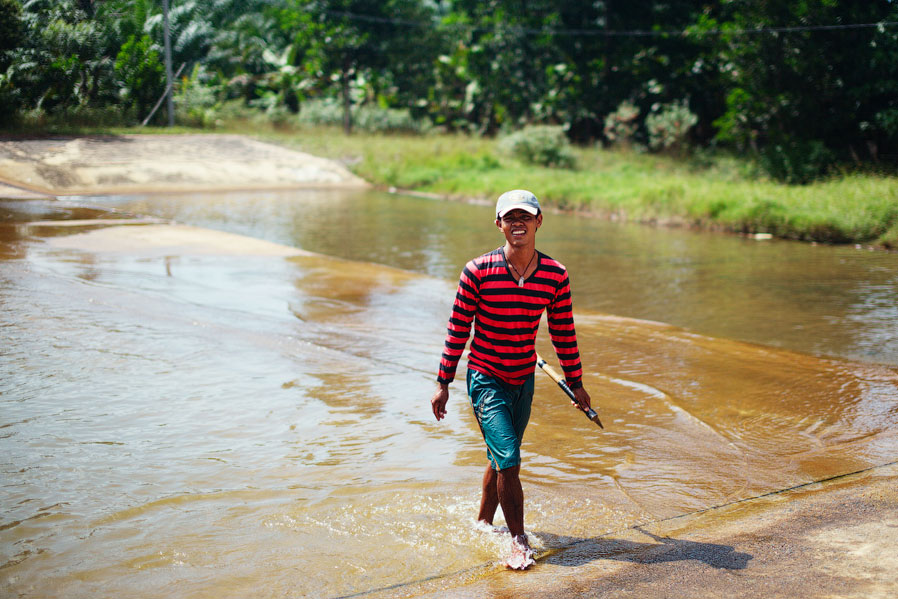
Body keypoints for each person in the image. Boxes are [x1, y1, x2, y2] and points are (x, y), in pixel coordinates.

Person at [430, 189, 592, 570]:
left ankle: (483, 522)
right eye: (510, 217)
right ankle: (518, 542)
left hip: (523, 378)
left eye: (525, 216)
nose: (517, 223)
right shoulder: (477, 271)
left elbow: (563, 332)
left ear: (539, 221)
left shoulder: (555, 275)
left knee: (501, 459)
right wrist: (443, 382)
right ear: (498, 223)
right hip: (486, 376)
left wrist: (577, 382)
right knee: (509, 458)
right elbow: (458, 329)